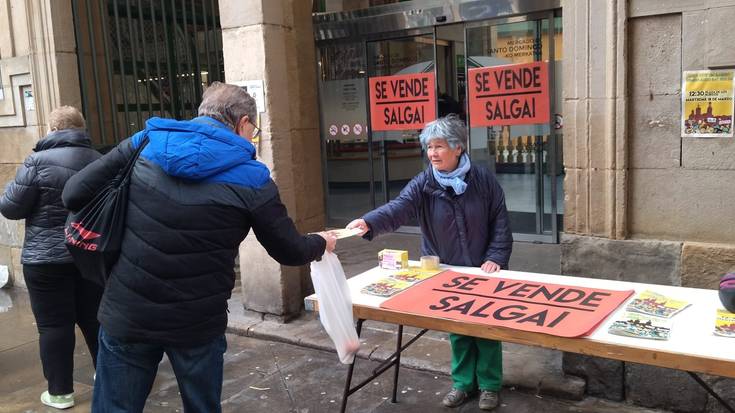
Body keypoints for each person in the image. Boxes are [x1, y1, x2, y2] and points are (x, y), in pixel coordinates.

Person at [62, 82, 337, 413]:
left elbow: (73, 193)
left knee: (115, 407)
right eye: (254, 128)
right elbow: (290, 250)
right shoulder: (253, 178)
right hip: (197, 321)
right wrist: (321, 242)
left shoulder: (144, 142)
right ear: (243, 123)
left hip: (128, 310)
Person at [347, 114, 512, 411]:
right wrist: (368, 222)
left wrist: (495, 257)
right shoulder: (424, 182)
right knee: (458, 329)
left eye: (438, 147)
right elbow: (399, 208)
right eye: (429, 147)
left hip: (483, 267)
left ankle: (489, 385)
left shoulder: (483, 179)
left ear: (458, 147)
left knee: (486, 329)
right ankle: (463, 384)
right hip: (447, 268)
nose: (432, 153)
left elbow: (499, 219)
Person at [0, 106, 102, 410]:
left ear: (51, 129)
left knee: (54, 327)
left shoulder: (36, 162)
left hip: (44, 260)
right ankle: (108, 377)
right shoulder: (99, 161)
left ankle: (60, 394)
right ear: (81, 129)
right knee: (96, 321)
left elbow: (10, 207)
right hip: (88, 255)